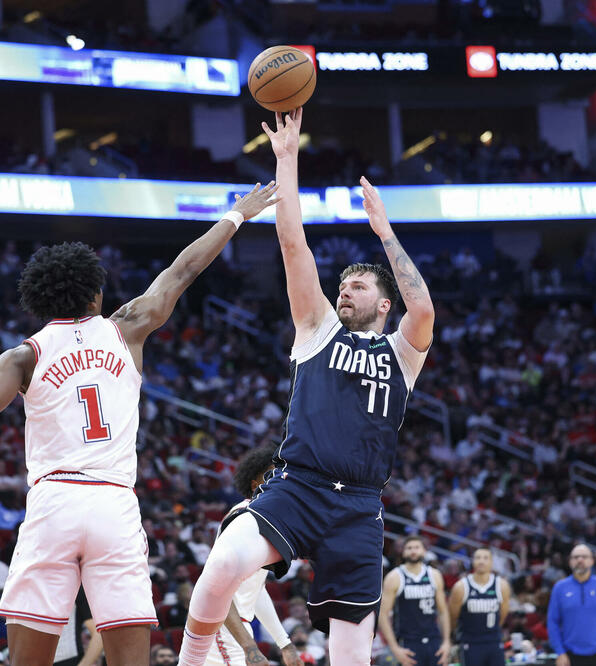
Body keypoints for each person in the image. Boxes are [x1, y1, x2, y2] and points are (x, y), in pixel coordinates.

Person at [0, 182, 280, 666]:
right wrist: (238, 216)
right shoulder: (127, 326)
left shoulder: (23, 356)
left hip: (53, 503)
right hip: (114, 504)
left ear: (42, 300)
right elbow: (184, 270)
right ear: (94, 290)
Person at [178, 107, 434, 666]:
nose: (345, 290)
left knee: (350, 658)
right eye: (342, 284)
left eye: (359, 285)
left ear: (382, 304)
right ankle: (190, 660)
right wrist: (286, 158)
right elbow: (294, 246)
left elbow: (424, 306)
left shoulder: (402, 354)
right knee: (222, 563)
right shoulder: (318, 330)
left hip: (360, 507)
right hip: (299, 486)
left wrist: (385, 232)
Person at [204, 447, 301, 666]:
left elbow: (255, 591)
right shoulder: (245, 518)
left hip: (236, 626)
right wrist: (250, 648)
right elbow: (218, 589)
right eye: (271, 475)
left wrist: (284, 643)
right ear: (255, 485)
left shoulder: (264, 519)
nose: (280, 480)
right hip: (223, 626)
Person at [378, 536, 450, 666]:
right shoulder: (395, 576)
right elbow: (383, 614)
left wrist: (446, 642)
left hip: (434, 640)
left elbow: (443, 611)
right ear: (403, 552)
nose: (413, 551)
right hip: (408, 642)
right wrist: (394, 648)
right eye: (409, 548)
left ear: (424, 551)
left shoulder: (434, 575)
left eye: (417, 547)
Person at [547, 544, 596, 666]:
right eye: (576, 557)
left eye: (584, 556)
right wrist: (559, 652)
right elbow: (552, 622)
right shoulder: (560, 588)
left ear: (592, 561)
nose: (580, 560)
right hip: (570, 655)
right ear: (570, 561)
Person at [449, 548, 511, 666]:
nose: (481, 561)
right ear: (472, 561)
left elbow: (502, 615)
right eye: (478, 558)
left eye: (485, 558)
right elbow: (453, 617)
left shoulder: (502, 585)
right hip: (470, 642)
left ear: (491, 562)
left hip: (493, 641)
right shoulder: (461, 587)